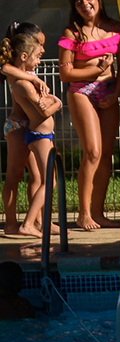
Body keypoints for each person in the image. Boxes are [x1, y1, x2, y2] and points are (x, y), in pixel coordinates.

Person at [57, 0, 120, 231]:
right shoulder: (72, 33)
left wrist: (117, 93)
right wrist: (95, 69)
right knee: (93, 153)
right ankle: (83, 213)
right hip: (81, 92)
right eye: (78, 1)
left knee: (107, 155)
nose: (84, 4)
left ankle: (98, 213)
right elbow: (65, 74)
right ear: (74, 7)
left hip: (109, 92)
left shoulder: (114, 28)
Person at [2, 33, 63, 239]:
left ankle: (41, 221)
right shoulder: (20, 80)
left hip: (31, 127)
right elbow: (6, 68)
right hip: (21, 127)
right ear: (24, 55)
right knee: (15, 176)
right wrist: (58, 101)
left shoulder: (24, 78)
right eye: (38, 54)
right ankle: (15, 223)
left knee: (39, 177)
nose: (41, 58)